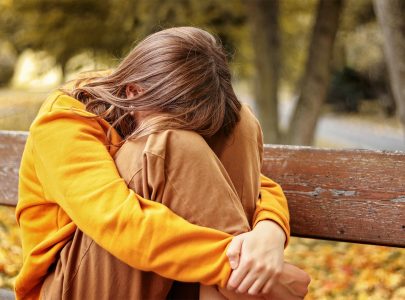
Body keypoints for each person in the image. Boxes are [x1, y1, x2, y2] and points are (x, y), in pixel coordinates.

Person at [16, 27, 309, 299]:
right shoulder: (65, 118)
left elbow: (260, 184)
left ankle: (246, 287)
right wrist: (237, 267)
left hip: (173, 272)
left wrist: (269, 230)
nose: (192, 141)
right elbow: (118, 221)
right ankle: (253, 290)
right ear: (133, 93)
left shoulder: (165, 98)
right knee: (171, 142)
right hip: (71, 283)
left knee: (239, 122)